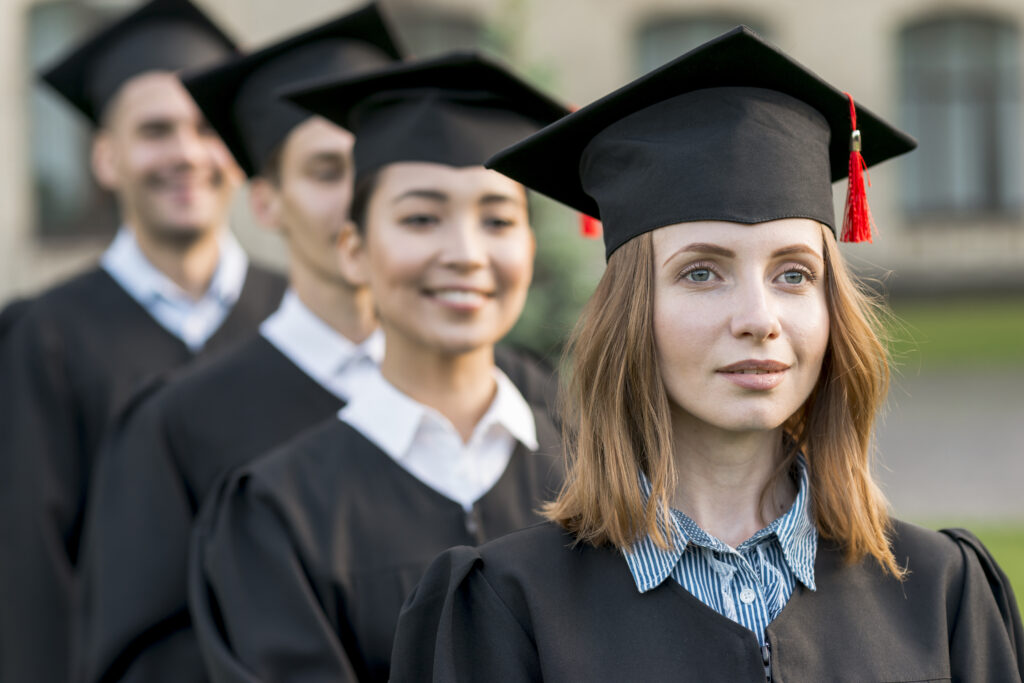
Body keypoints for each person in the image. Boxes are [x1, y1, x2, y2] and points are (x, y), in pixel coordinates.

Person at [390, 27, 1024, 682]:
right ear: (630, 315)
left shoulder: (942, 597)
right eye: (702, 272)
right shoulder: (507, 607)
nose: (759, 319)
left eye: (794, 274)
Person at [187, 52, 570, 682]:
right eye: (421, 218)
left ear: (528, 246)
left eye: (498, 219)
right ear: (355, 251)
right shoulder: (278, 513)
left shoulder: (601, 478)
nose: (466, 255)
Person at [73, 6, 402, 683]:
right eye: (325, 170)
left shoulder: (515, 406)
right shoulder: (172, 422)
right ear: (267, 200)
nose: (357, 200)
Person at [0, 2, 286, 681]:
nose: (186, 153)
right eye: (156, 130)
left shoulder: (296, 316)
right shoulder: (45, 335)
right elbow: (28, 573)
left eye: (205, 127)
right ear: (106, 157)